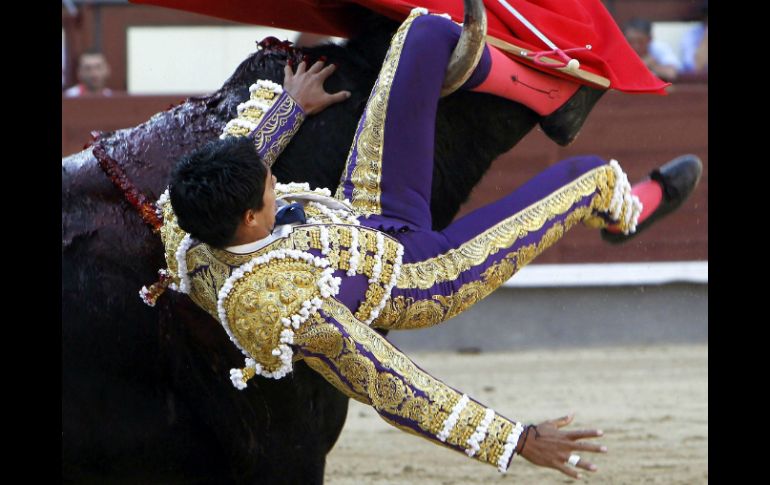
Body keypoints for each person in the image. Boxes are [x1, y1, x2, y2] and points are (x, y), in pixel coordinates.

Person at [159, 10, 701, 479]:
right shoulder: (279, 307)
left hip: (366, 208)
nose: (273, 178)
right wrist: (516, 440)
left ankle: (552, 97)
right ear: (251, 217)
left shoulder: (186, 217)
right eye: (267, 186)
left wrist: (292, 109)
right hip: (424, 273)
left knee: (425, 34)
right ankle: (629, 211)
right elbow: (392, 387)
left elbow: (246, 156)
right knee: (588, 177)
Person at [623, 18, 682, 82]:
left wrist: (653, 65)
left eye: (640, 41)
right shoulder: (620, 49)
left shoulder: (659, 48)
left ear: (649, 39)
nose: (636, 46)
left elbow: (671, 73)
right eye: (631, 41)